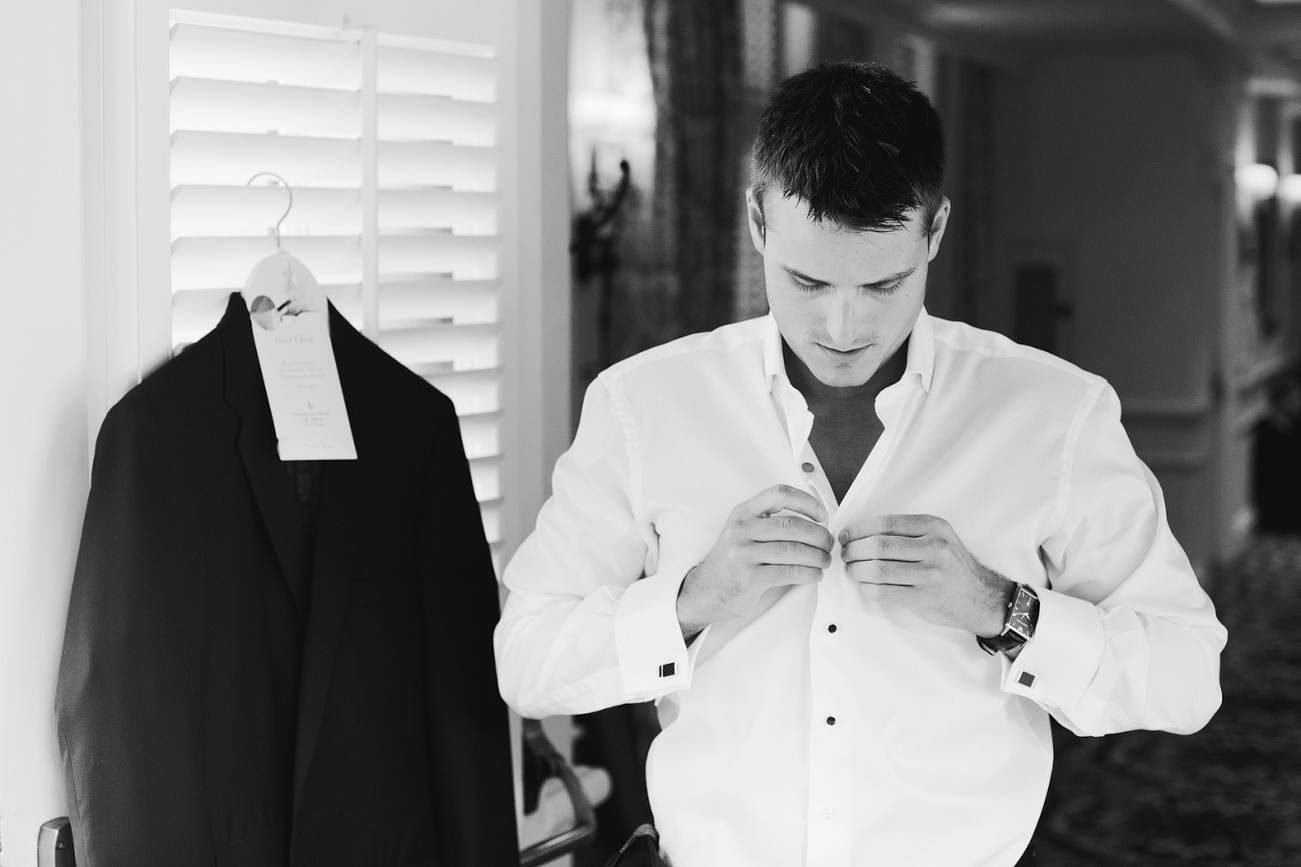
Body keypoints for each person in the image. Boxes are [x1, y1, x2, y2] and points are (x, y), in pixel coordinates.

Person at [494, 61, 1226, 867]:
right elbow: (526, 660)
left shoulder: (1054, 412)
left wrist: (1003, 610)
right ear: (756, 222)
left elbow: (1187, 675)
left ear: (935, 231)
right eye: (806, 280)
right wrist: (690, 599)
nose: (841, 325)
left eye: (883, 283)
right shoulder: (641, 405)